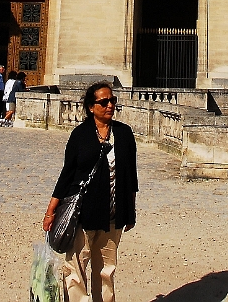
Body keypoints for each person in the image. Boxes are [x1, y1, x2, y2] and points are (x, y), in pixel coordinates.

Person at [43, 82, 138, 302]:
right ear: (91, 107)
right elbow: (67, 175)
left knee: (106, 270)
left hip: (113, 214)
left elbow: (130, 176)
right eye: (104, 102)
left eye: (112, 100)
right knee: (76, 269)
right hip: (83, 215)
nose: (110, 105)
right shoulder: (80, 135)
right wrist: (51, 211)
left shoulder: (124, 133)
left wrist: (130, 211)